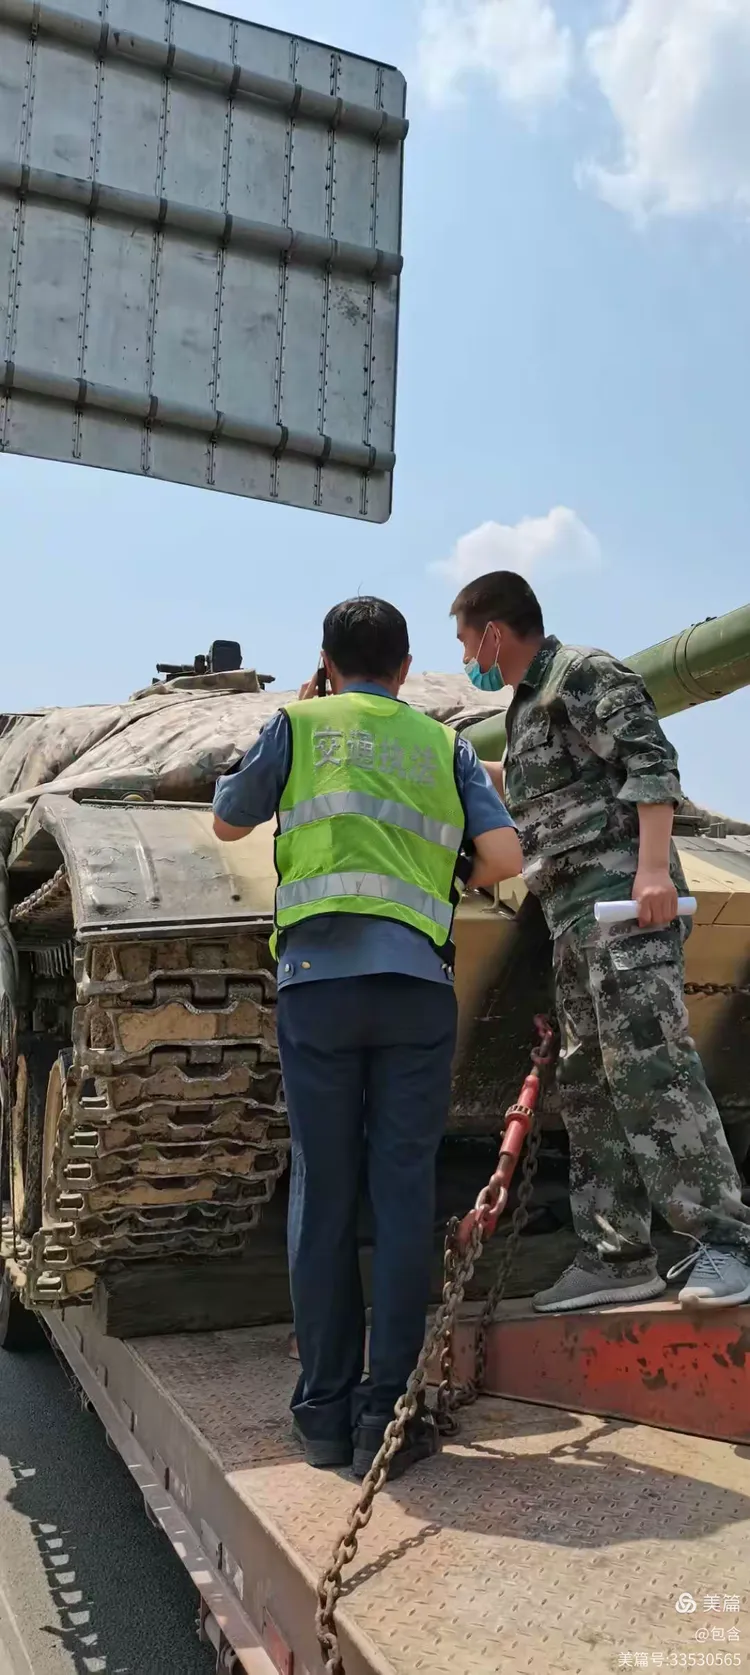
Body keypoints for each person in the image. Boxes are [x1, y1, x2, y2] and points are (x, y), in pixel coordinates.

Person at [213, 596, 521, 1476]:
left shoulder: (298, 726)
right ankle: (387, 1411)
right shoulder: (442, 744)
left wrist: (301, 714)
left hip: (318, 989)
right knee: (401, 1194)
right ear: (406, 666)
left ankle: (321, 1415)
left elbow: (229, 819)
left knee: (323, 1192)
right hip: (416, 990)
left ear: (325, 660)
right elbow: (505, 858)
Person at [451, 569, 750, 1313]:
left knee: (651, 1064)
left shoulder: (582, 673)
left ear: (493, 632)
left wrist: (651, 871)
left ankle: (727, 1240)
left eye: (465, 640)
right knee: (588, 1084)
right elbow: (540, 790)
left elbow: (651, 761)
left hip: (624, 906)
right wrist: (449, 761)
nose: (465, 657)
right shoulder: (525, 710)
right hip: (572, 916)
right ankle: (617, 1257)